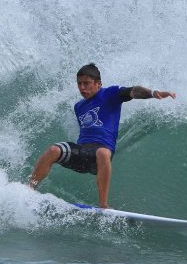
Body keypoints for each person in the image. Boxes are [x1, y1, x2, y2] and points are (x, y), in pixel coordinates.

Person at [29, 63, 176, 208]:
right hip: (81, 152)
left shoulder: (110, 94)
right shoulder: (78, 106)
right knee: (54, 150)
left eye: (86, 83)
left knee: (103, 152)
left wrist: (152, 93)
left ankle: (104, 205)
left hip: (100, 155)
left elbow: (133, 91)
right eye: (79, 84)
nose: (82, 87)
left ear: (99, 84)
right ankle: (29, 191)